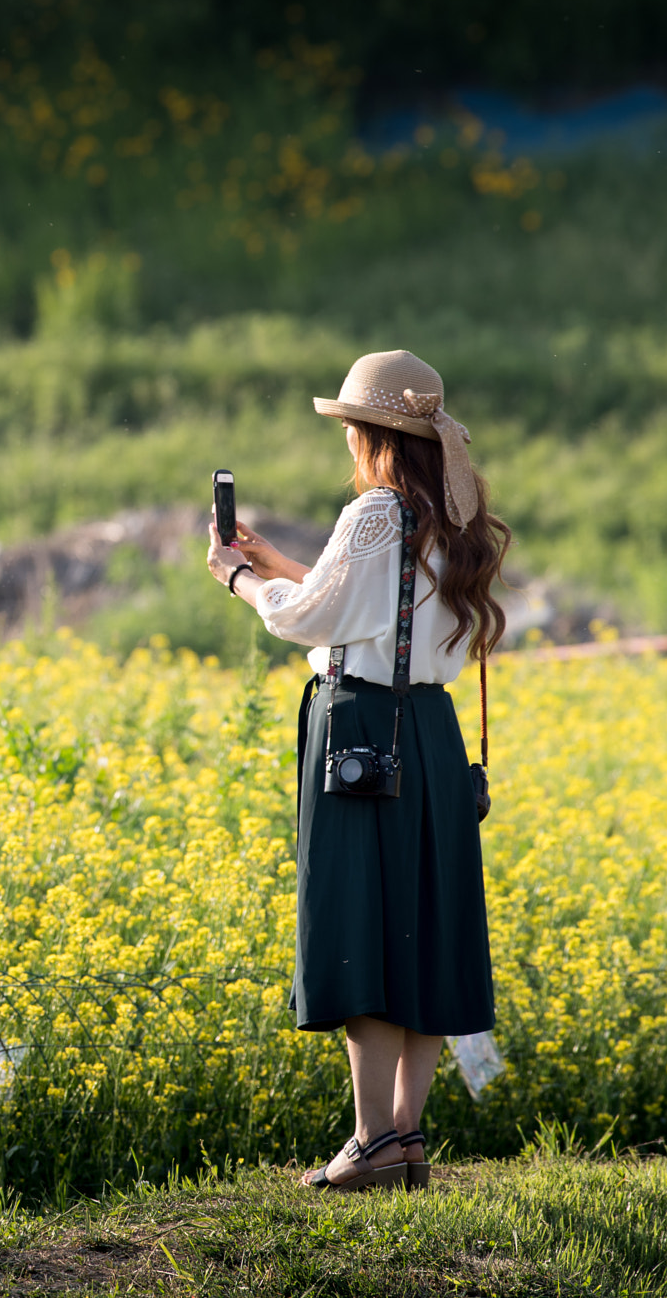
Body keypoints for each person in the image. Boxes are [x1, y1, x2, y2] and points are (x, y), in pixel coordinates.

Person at [205, 349, 512, 1192]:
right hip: (432, 739)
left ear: (374, 435)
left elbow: (314, 619)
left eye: (349, 429)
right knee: (427, 925)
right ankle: (406, 1138)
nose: (347, 444)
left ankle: (371, 1137)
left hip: (363, 736)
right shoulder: (454, 515)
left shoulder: (377, 513)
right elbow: (379, 614)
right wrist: (281, 564)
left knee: (363, 925)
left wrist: (238, 576)